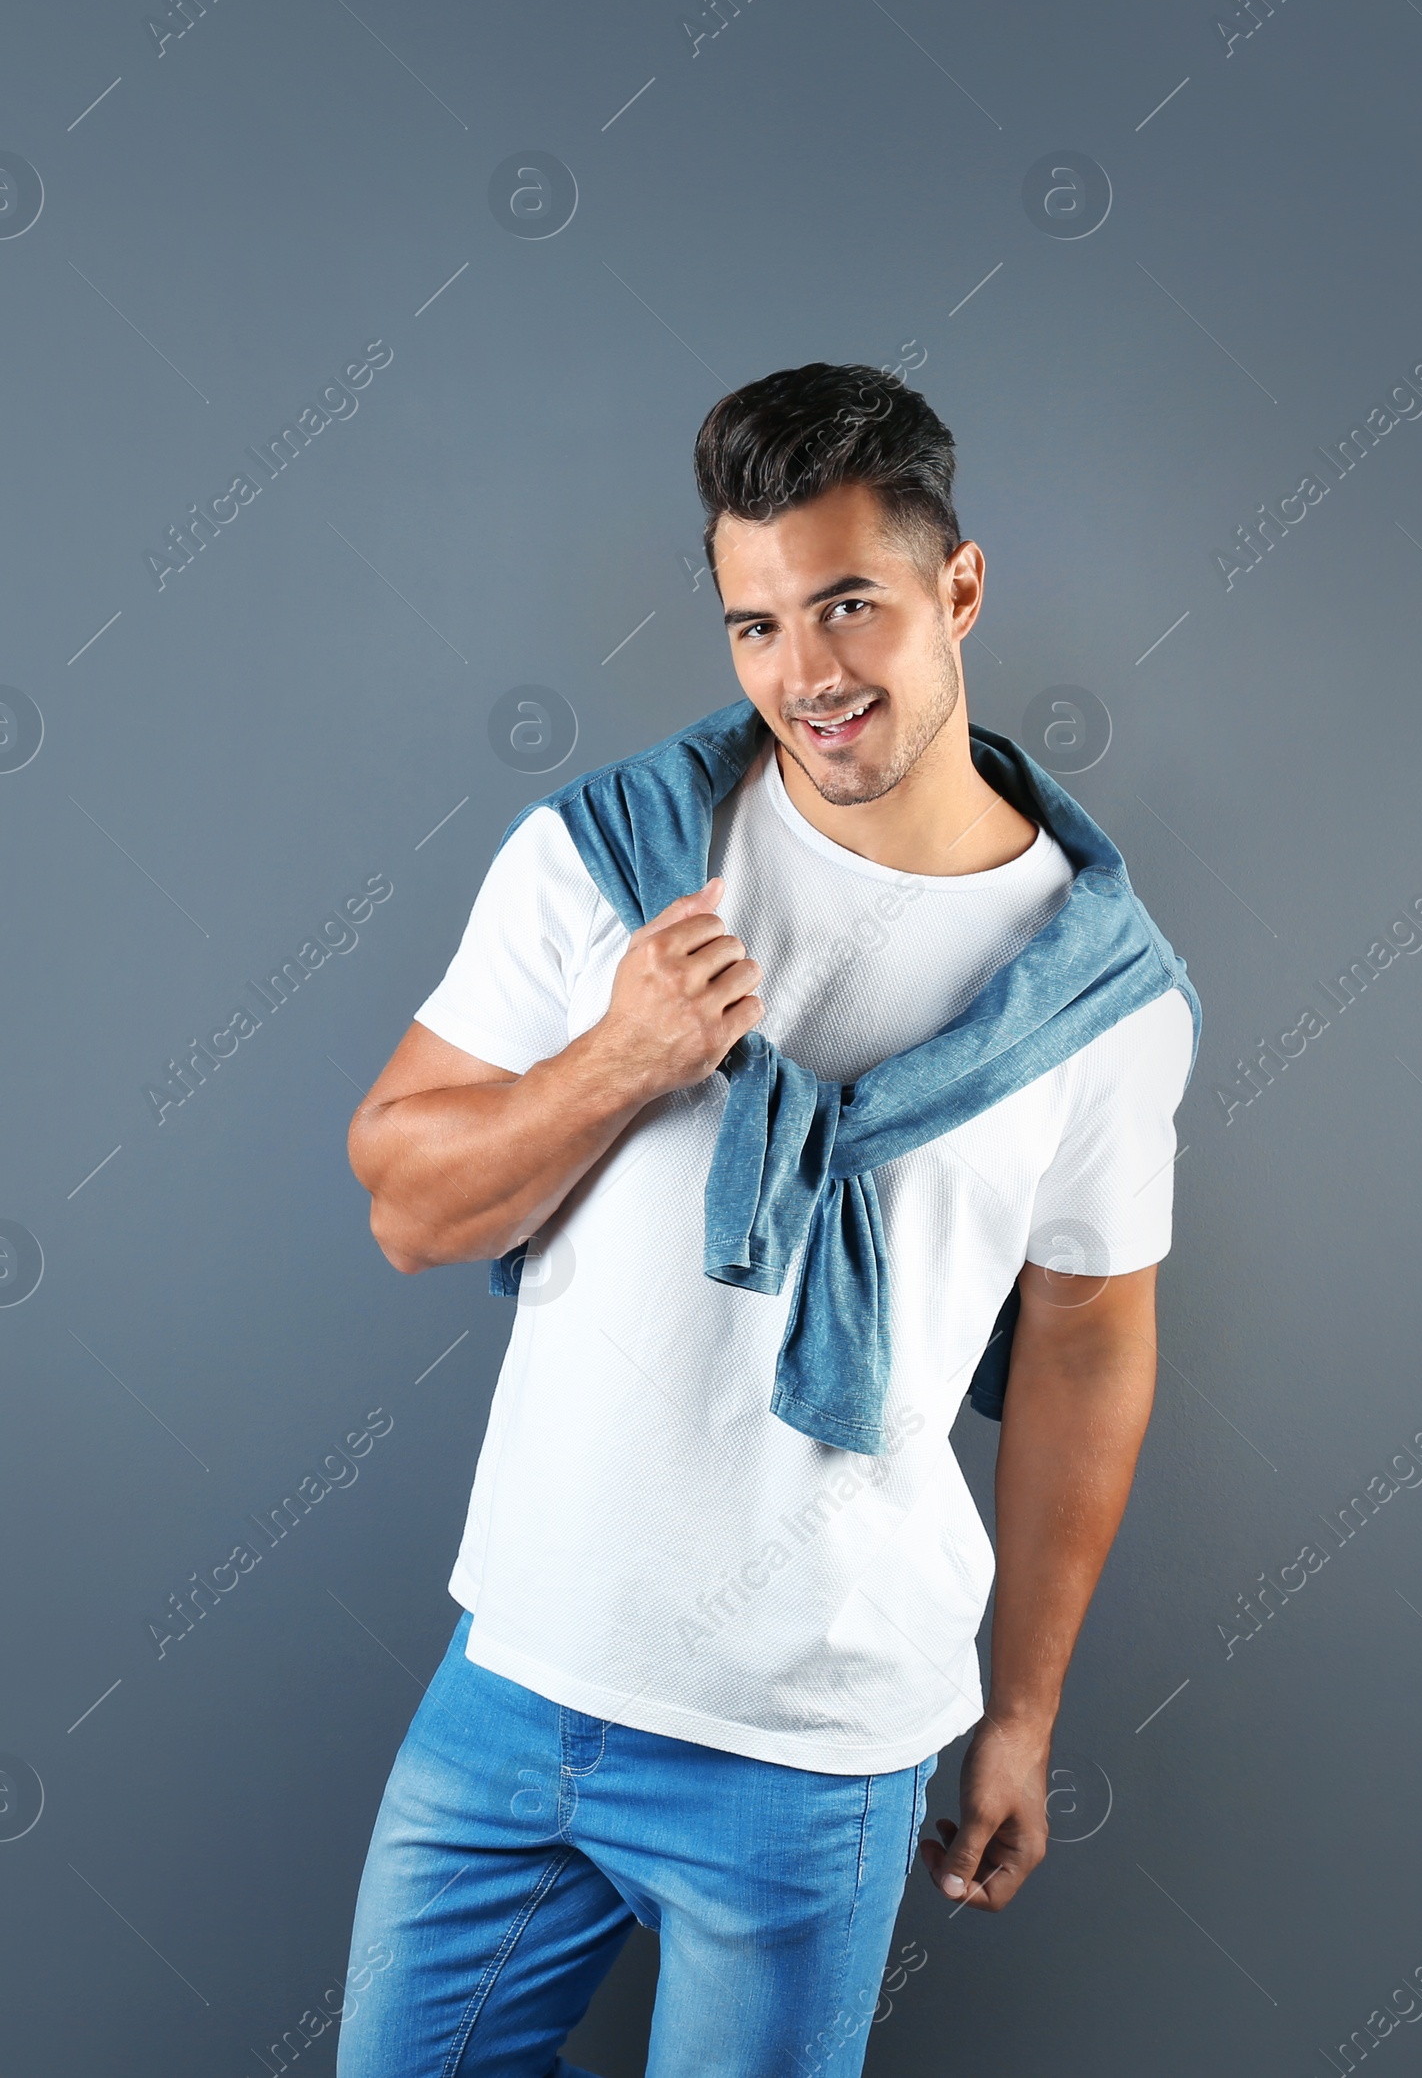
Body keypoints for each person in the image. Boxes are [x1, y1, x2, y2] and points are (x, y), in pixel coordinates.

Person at [336, 362, 1198, 2076]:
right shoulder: (610, 866)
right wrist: (614, 1062)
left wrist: (1019, 1716)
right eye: (753, 625)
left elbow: (1092, 1346)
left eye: (848, 605)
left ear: (958, 589)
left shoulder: (1102, 1001)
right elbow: (403, 1206)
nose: (804, 674)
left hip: (811, 1757)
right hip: (517, 1689)